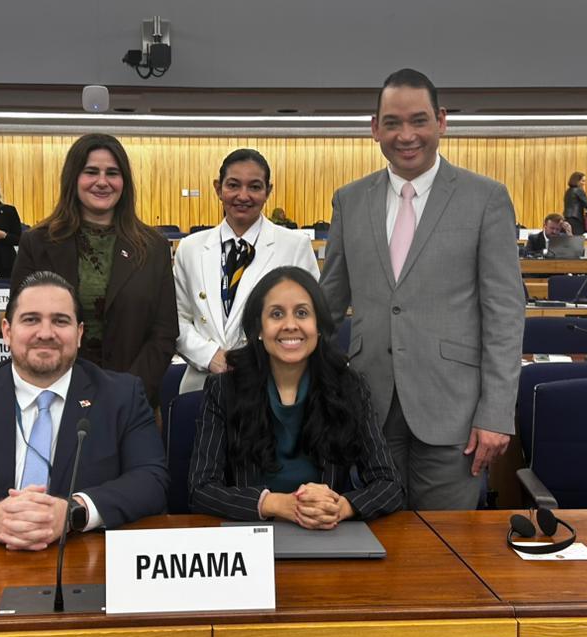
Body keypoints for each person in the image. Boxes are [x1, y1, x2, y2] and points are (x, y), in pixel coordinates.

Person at [320, 68, 524, 511]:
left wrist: (496, 414)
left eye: (418, 120)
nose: (406, 135)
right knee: (377, 537)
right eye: (392, 122)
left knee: (446, 550)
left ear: (442, 121)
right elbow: (327, 308)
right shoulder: (349, 200)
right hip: (368, 405)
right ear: (374, 128)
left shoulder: (485, 197)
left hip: (454, 412)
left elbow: (504, 314)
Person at [0, 271, 168, 544]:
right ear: (7, 331)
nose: (45, 333)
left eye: (60, 321)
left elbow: (151, 480)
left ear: (79, 334)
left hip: (83, 561)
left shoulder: (122, 396)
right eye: (31, 320)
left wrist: (74, 511)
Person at [188, 266, 402, 525]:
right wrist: (276, 504)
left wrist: (343, 507)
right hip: (251, 535)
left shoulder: (349, 388)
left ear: (319, 326)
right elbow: (200, 489)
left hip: (326, 530)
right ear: (258, 328)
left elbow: (390, 484)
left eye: (302, 313)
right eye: (276, 314)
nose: (290, 325)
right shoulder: (223, 389)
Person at [10, 133, 177, 408]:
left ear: (124, 182)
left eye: (112, 173)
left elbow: (164, 332)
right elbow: (24, 324)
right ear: (73, 178)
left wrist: (127, 393)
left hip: (133, 400)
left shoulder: (154, 247)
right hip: (52, 398)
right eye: (91, 172)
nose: (102, 182)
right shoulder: (37, 243)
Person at [174, 149, 319, 393]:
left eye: (254, 187)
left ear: (268, 192)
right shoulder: (190, 248)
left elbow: (310, 318)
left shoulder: (294, 246)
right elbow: (176, 318)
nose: (243, 196)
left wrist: (255, 358)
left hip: (273, 382)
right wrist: (211, 356)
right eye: (233, 185)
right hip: (203, 383)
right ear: (218, 189)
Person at [562, 172, 587, 237]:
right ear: (577, 181)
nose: (584, 183)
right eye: (582, 181)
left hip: (567, 218)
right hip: (577, 219)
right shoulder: (579, 191)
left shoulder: (568, 191)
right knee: (578, 239)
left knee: (570, 239)